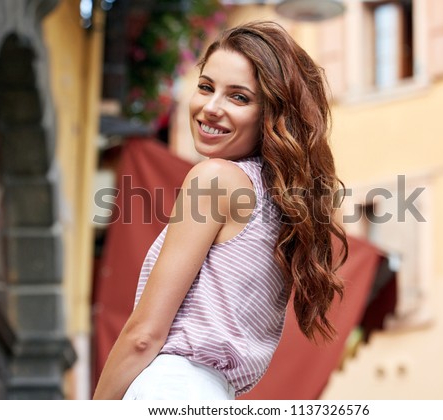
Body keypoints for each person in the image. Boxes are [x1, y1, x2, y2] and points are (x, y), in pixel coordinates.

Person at [92, 20, 348, 400]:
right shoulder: (282, 205)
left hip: (169, 389)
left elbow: (144, 336)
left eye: (238, 97)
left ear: (272, 114)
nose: (210, 109)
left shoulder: (215, 180)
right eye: (206, 87)